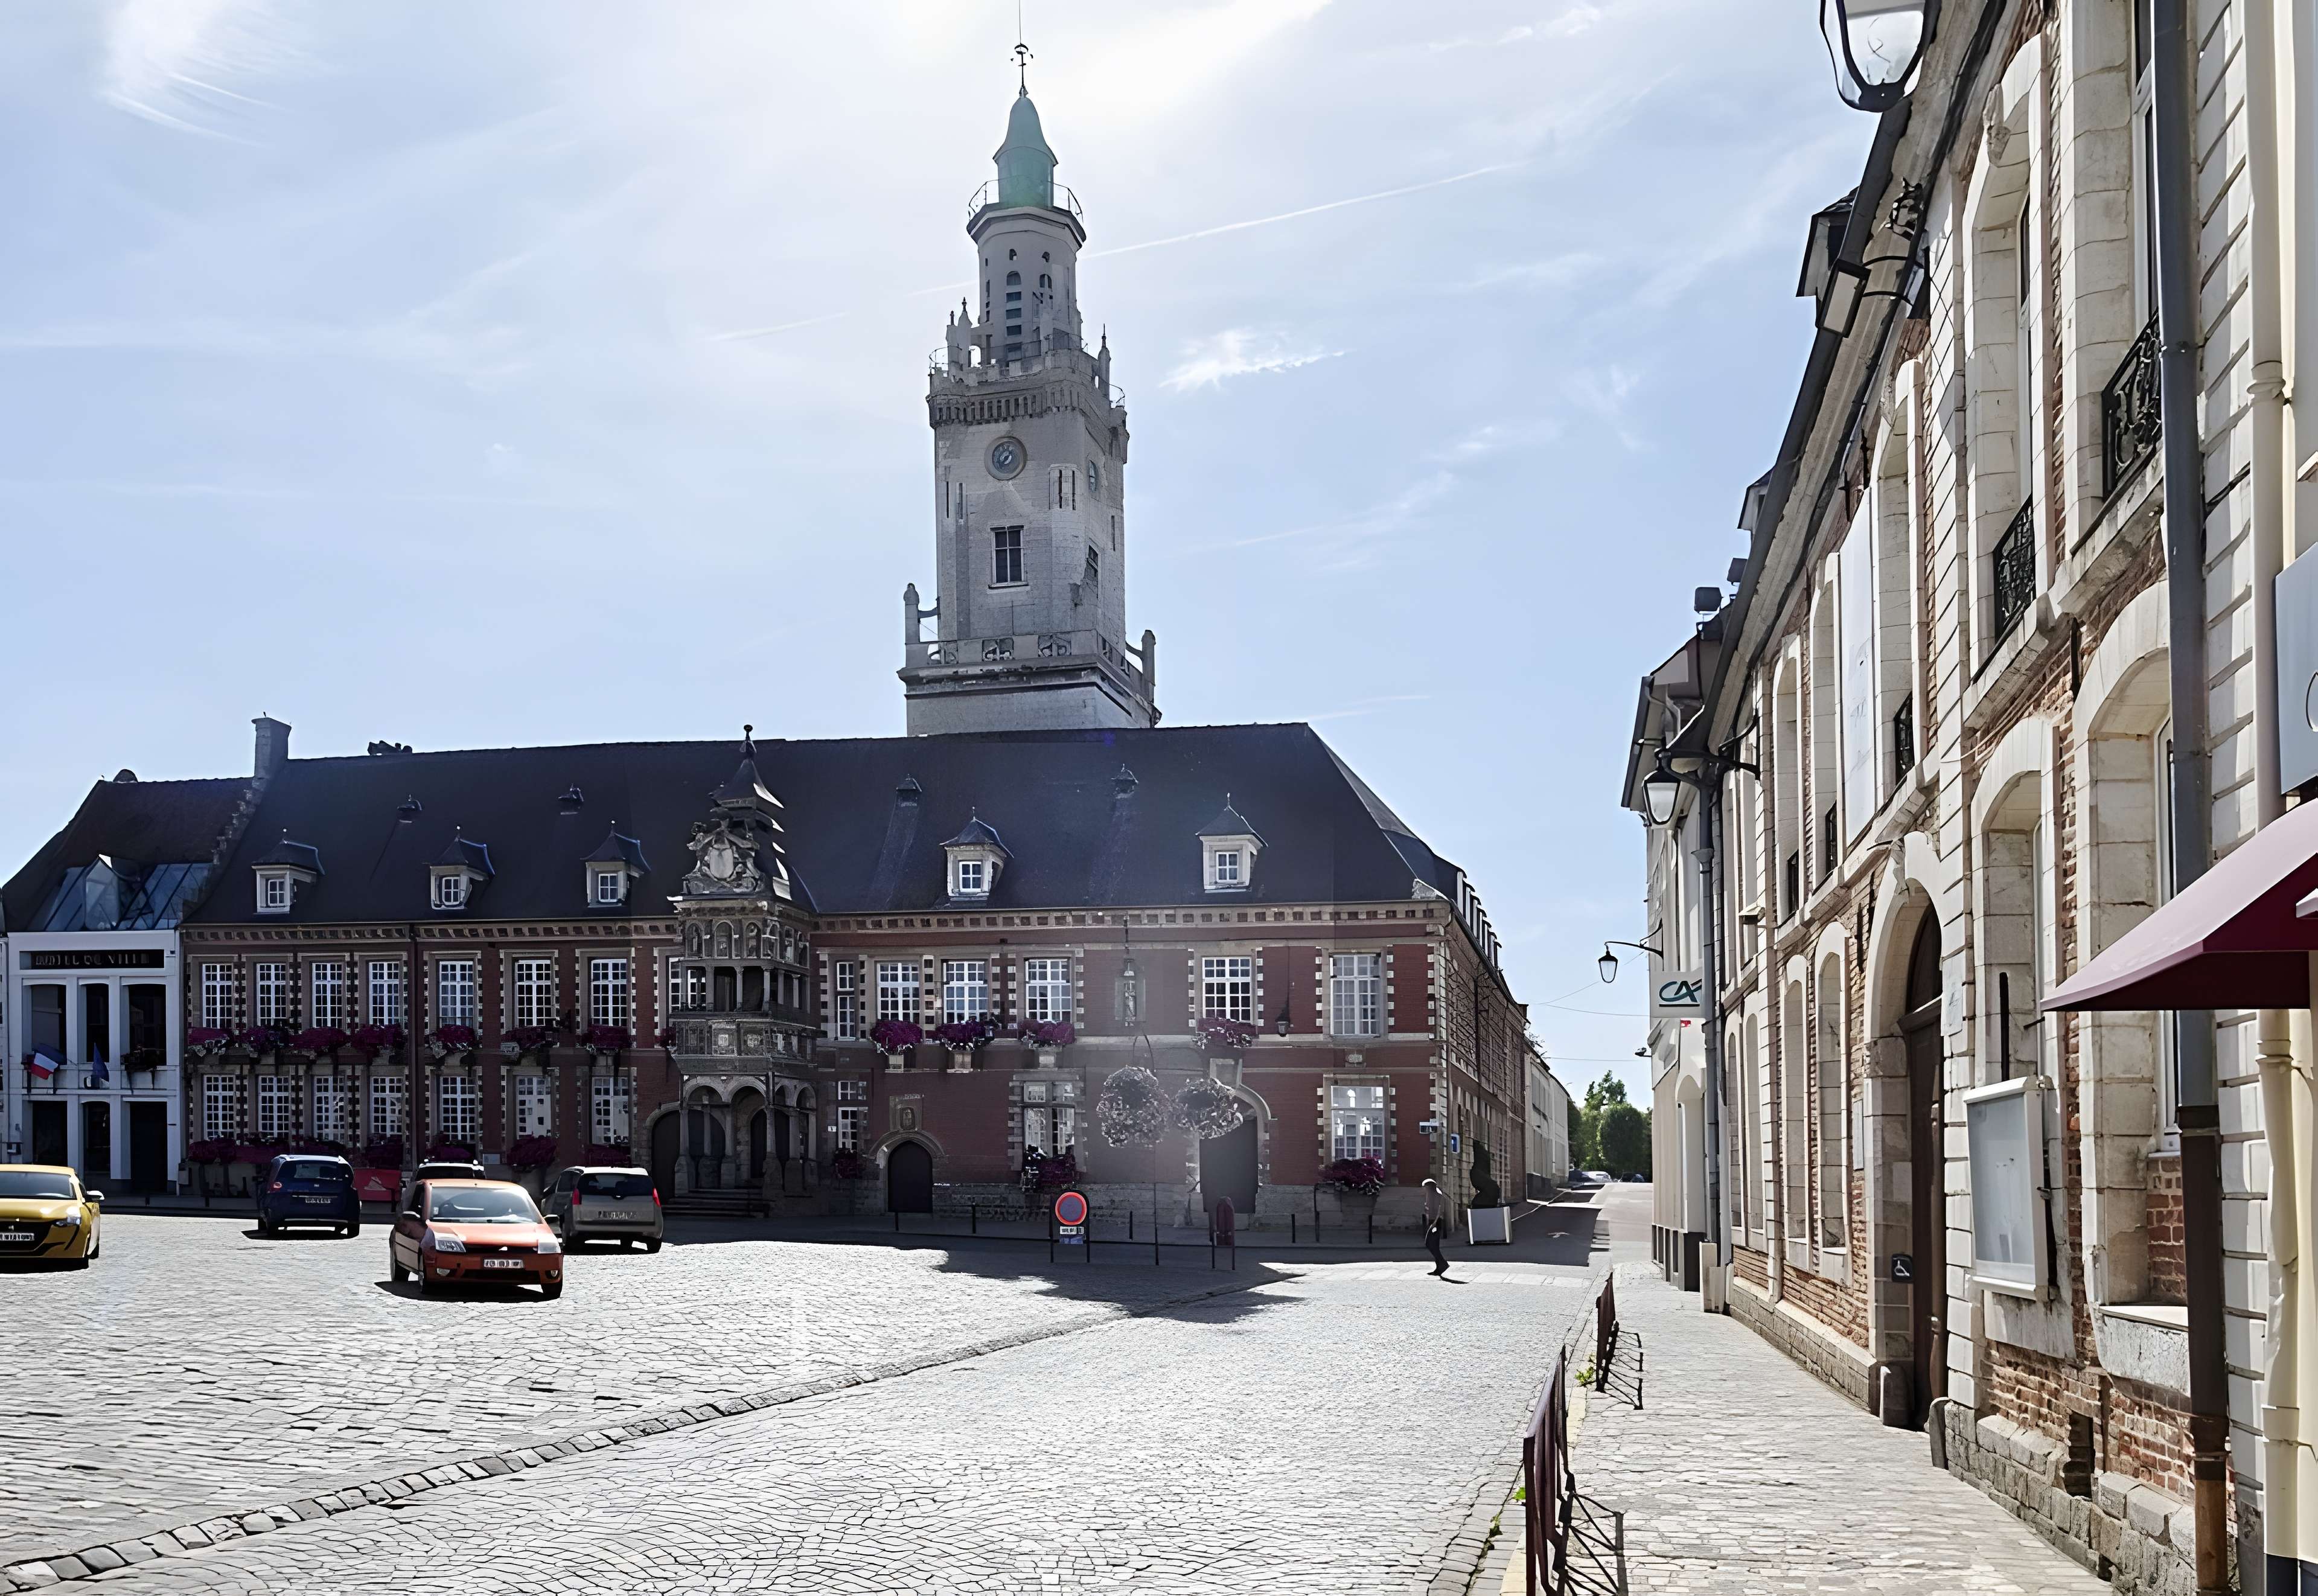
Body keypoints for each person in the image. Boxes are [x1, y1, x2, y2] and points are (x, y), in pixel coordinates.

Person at [1422, 1178, 1449, 1276]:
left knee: (1429, 1243)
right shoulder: (1429, 1195)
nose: (1424, 1189)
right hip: (1432, 1221)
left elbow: (1440, 1210)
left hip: (1436, 1222)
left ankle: (1443, 1263)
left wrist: (1435, 1223)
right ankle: (1439, 1268)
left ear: (1430, 1187)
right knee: (1435, 1245)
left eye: (1425, 1187)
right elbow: (1428, 1209)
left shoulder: (1438, 1196)